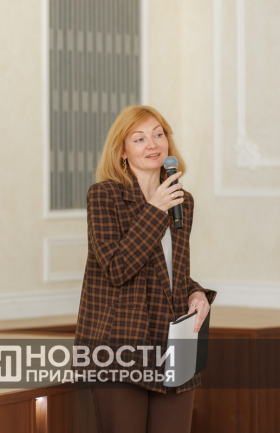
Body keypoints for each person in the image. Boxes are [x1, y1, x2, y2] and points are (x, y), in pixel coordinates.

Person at [74, 105, 217, 433]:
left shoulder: (183, 200)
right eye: (139, 139)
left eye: (158, 135)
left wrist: (196, 292)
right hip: (121, 342)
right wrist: (155, 209)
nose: (152, 144)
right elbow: (116, 268)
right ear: (122, 151)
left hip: (175, 342)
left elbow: (169, 268)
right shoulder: (104, 196)